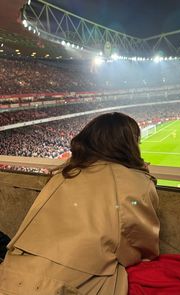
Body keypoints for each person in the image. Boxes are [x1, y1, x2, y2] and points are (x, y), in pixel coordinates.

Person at [0, 112, 160, 295]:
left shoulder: (63, 174)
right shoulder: (135, 182)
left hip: (11, 276)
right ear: (130, 144)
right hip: (63, 286)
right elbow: (140, 249)